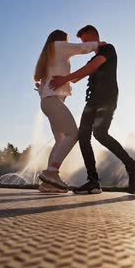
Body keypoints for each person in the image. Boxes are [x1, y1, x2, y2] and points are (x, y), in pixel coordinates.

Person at [50, 25, 135, 194]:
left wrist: (65, 78)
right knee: (83, 136)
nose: (85, 45)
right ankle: (93, 181)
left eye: (85, 41)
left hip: (106, 100)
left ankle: (133, 167)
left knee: (100, 134)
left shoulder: (108, 49)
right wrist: (52, 79)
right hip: (92, 101)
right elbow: (78, 78)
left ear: (94, 36)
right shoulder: (92, 59)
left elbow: (90, 69)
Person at [34, 29, 105, 193]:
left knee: (60, 141)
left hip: (47, 102)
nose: (68, 43)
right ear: (61, 40)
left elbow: (45, 86)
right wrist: (99, 45)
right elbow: (81, 48)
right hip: (52, 102)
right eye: (67, 40)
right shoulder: (58, 46)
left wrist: (40, 89)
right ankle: (51, 172)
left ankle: (48, 184)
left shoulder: (49, 54)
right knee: (74, 134)